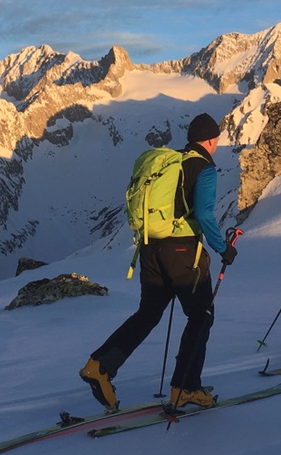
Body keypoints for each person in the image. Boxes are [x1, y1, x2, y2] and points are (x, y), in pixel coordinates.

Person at [79, 113, 238, 411]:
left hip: (150, 249)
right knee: (201, 315)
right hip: (182, 254)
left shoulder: (169, 162)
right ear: (211, 140)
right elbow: (204, 214)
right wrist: (222, 248)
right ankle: (186, 388)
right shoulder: (203, 168)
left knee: (148, 314)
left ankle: (98, 365)